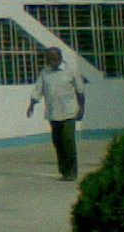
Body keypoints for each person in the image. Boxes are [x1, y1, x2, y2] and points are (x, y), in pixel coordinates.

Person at [26, 47, 87, 180]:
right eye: (49, 59)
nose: (51, 61)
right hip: (53, 114)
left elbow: (80, 91)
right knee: (58, 143)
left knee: (68, 141)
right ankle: (64, 171)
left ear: (59, 58)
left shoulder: (71, 71)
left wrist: (81, 108)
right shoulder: (45, 73)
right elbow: (38, 90)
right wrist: (31, 105)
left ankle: (72, 172)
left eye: (53, 58)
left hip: (69, 113)